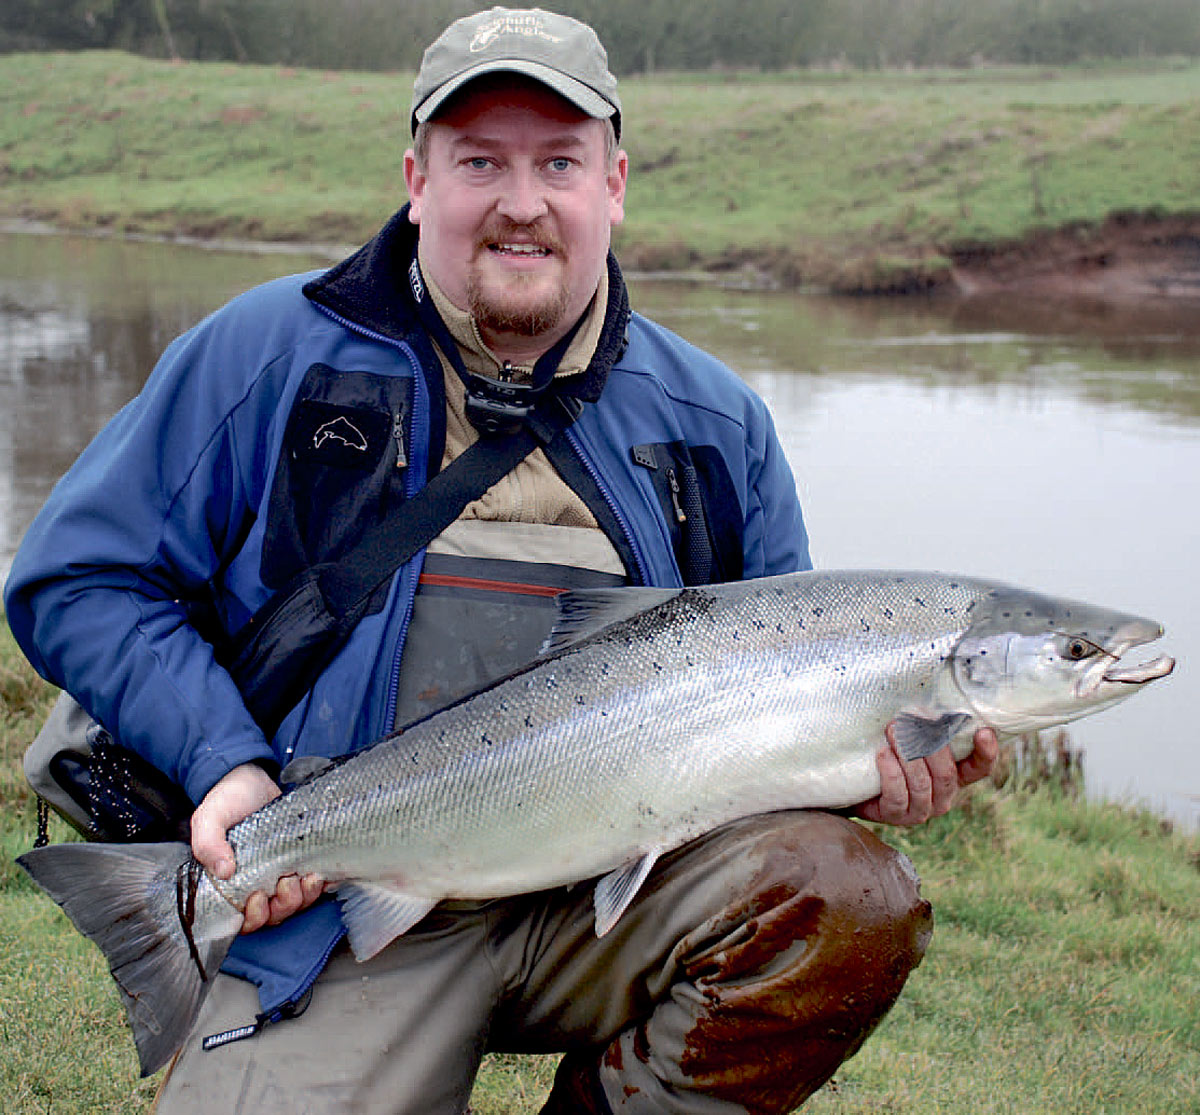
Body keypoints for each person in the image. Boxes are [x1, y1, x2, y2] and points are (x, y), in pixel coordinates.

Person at [4, 8, 997, 1113]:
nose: (522, 201)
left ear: (613, 184)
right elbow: (74, 580)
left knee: (847, 898)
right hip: (342, 913)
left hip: (617, 901)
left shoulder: (720, 424)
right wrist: (225, 761)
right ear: (416, 178)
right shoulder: (260, 357)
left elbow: (773, 728)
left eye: (558, 162)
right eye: (481, 160)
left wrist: (866, 776)